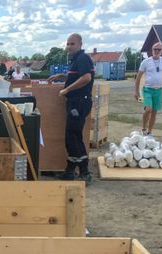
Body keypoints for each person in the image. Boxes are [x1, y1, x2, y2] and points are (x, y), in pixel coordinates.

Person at [46, 33, 95, 183]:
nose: (69, 47)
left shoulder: (83, 58)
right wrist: (61, 76)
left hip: (80, 102)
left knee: (74, 137)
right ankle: (70, 170)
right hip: (75, 102)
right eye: (67, 44)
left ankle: (85, 172)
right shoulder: (75, 60)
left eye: (72, 44)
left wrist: (66, 90)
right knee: (70, 137)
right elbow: (76, 77)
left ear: (80, 44)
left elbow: (86, 78)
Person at [134, 42, 162, 136]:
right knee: (148, 109)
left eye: (159, 49)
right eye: (155, 49)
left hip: (159, 90)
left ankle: (149, 132)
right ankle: (144, 128)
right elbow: (138, 77)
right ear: (152, 50)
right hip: (148, 89)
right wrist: (136, 91)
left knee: (154, 112)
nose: (156, 51)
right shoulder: (146, 62)